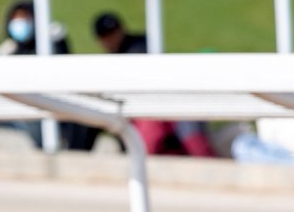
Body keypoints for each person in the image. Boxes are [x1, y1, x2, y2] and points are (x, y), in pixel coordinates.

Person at [0, 0, 99, 151]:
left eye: (24, 18)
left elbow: (61, 67)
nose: (19, 23)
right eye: (16, 19)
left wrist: (57, 40)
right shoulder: (8, 50)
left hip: (45, 114)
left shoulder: (49, 45)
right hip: (21, 111)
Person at [92, 11, 216, 157]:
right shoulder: (111, 61)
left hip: (170, 103)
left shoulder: (140, 46)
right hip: (145, 113)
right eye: (106, 35)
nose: (111, 38)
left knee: (193, 142)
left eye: (114, 32)